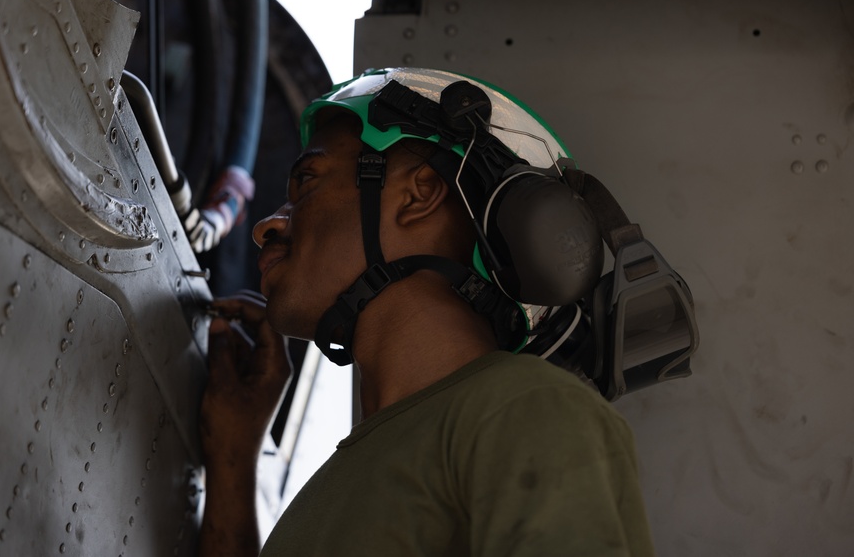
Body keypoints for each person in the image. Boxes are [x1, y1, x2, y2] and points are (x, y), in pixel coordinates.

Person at [199, 68, 655, 556]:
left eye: (307, 182)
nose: (266, 226)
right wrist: (233, 460)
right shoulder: (340, 480)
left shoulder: (524, 406)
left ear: (419, 194)